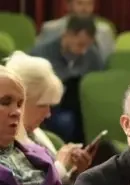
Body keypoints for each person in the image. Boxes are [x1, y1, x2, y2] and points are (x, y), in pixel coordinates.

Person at [5, 51, 96, 185]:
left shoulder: (37, 135)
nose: (48, 114)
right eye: (42, 105)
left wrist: (74, 173)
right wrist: (60, 167)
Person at [30, 15, 105, 143]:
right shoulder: (41, 54)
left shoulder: (92, 54)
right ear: (67, 35)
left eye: (87, 46)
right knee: (65, 121)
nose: (84, 51)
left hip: (81, 107)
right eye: (80, 44)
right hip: (52, 108)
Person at [36, 0, 115, 60]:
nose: (85, 9)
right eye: (80, 3)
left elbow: (109, 61)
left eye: (89, 4)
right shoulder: (51, 29)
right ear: (68, 5)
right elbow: (39, 57)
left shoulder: (104, 31)